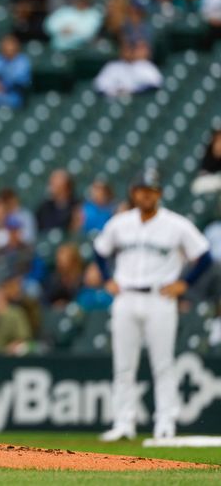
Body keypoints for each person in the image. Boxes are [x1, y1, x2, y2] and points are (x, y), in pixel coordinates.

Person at [94, 168, 212, 441]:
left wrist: (185, 283)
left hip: (160, 297)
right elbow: (100, 252)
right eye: (141, 190)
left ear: (158, 193)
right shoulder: (120, 223)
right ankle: (123, 423)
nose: (146, 195)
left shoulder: (176, 224)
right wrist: (106, 279)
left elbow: (204, 256)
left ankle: (165, 423)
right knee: (123, 365)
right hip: (126, 296)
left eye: (151, 190)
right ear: (134, 193)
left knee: (163, 364)